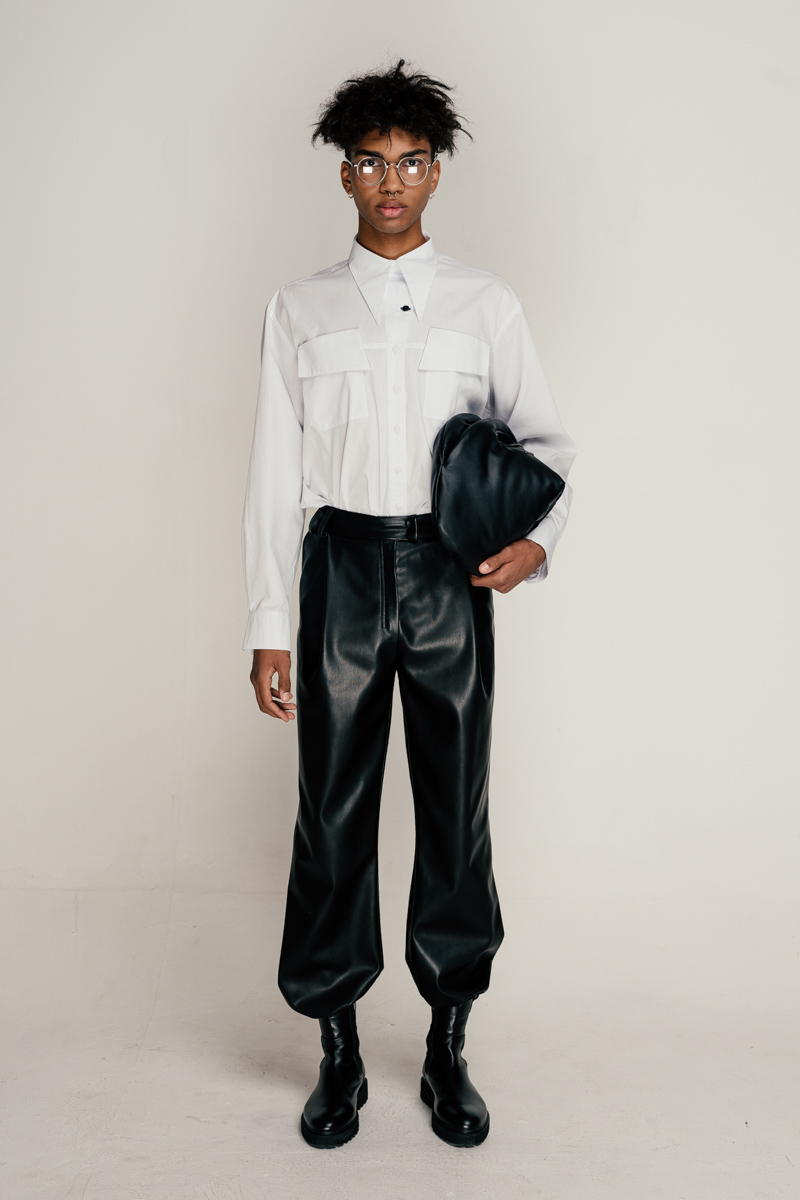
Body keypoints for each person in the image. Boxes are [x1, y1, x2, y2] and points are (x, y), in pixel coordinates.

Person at [241, 59, 577, 1150]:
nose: (392, 180)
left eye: (411, 161)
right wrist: (269, 626)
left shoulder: (486, 305)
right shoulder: (298, 309)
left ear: (437, 171)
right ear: (344, 175)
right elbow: (271, 476)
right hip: (338, 566)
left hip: (447, 574)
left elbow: (547, 446)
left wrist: (536, 544)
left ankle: (446, 1044)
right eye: (372, 162)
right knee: (330, 813)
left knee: (454, 809)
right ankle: (336, 1048)